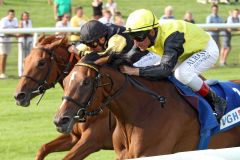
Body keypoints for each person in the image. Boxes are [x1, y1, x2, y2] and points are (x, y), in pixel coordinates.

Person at [120, 9, 226, 121]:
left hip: (206, 49)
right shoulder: (146, 35)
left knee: (182, 74)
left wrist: (134, 71)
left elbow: (164, 70)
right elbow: (129, 57)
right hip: (184, 51)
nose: (135, 42)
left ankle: (216, 101)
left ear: (151, 32)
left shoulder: (172, 37)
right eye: (132, 37)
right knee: (146, 67)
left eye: (138, 37)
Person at [0, 9, 18, 79]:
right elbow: (5, 32)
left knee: (5, 56)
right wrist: (15, 35)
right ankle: (2, 73)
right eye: (10, 14)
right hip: (2, 40)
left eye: (13, 14)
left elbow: (17, 30)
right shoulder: (3, 20)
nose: (12, 16)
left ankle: (3, 72)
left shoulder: (15, 20)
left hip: (9, 40)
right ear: (7, 14)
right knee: (3, 56)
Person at [18, 11, 33, 77]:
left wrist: (28, 33)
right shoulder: (21, 22)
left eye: (27, 16)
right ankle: (20, 73)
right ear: (22, 17)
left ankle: (28, 71)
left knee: (29, 55)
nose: (26, 17)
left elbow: (31, 32)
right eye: (24, 16)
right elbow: (20, 32)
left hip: (29, 39)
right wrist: (27, 33)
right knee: (22, 55)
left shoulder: (30, 22)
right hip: (22, 40)